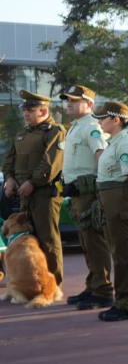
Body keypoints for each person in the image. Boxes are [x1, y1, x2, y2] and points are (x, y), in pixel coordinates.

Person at [3, 90, 65, 289]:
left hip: (44, 193)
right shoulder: (24, 132)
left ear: (44, 110)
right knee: (29, 241)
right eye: (25, 110)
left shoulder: (54, 132)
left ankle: (53, 284)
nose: (25, 114)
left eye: (30, 110)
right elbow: (9, 159)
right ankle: (34, 282)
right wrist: (10, 179)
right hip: (24, 193)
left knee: (48, 240)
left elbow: (51, 164)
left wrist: (32, 182)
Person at [59, 85, 113, 310]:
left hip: (89, 192)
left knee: (94, 242)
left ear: (89, 104)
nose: (69, 103)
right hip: (77, 193)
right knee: (86, 242)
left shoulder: (92, 127)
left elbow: (102, 157)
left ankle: (102, 291)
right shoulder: (74, 127)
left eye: (74, 100)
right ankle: (93, 285)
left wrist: (102, 193)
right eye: (67, 100)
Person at [93, 102, 128, 322]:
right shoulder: (115, 142)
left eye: (103, 118)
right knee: (118, 253)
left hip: (122, 202)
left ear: (116, 120)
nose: (99, 122)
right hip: (113, 201)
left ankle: (127, 305)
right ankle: (122, 301)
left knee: (123, 256)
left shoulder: (124, 144)